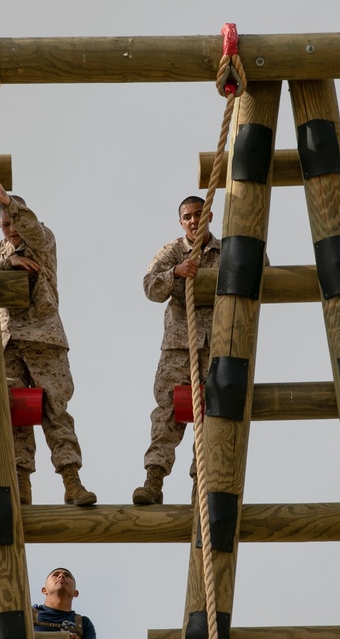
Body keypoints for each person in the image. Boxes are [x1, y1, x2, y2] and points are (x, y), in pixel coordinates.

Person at [0, 182, 96, 506]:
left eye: (14, 221)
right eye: (5, 224)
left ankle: (71, 480)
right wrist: (9, 264)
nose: (11, 230)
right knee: (14, 412)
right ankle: (21, 484)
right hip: (9, 342)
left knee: (54, 409)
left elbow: (33, 232)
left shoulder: (42, 241)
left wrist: (8, 202)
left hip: (43, 337)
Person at [133, 195, 220, 505]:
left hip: (216, 345)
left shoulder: (225, 250)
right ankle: (153, 480)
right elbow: (149, 287)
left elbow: (259, 265)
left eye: (199, 214)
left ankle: (202, 486)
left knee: (214, 415)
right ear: (181, 222)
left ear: (209, 215)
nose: (194, 221)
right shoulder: (172, 251)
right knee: (167, 411)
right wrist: (176, 272)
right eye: (188, 217)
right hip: (179, 344)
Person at [32, 567, 97, 638]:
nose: (61, 576)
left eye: (67, 576)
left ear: (75, 593)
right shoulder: (30, 613)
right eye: (55, 575)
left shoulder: (83, 623)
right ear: (44, 590)